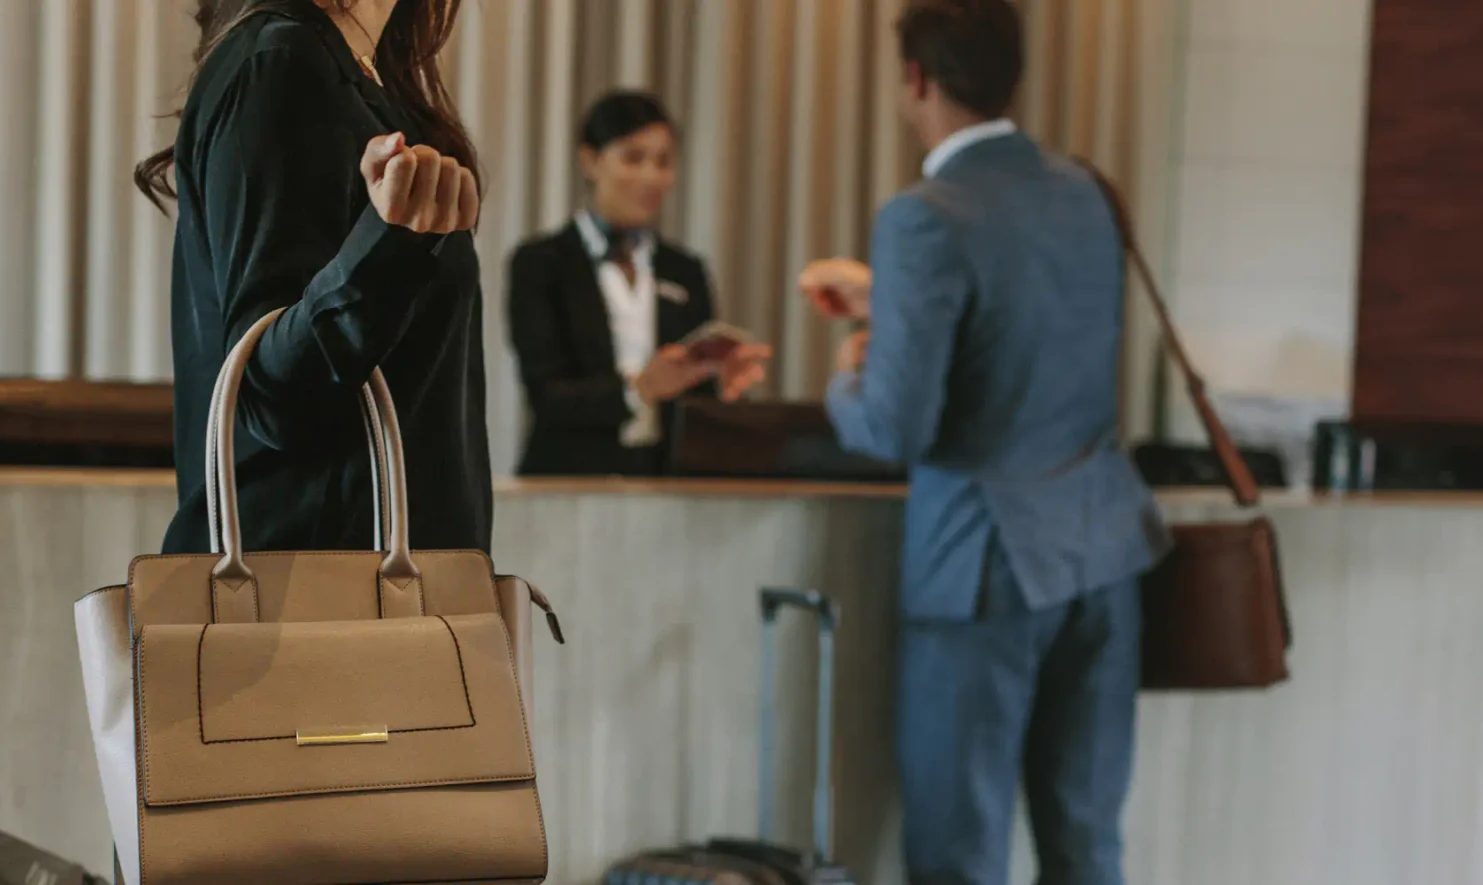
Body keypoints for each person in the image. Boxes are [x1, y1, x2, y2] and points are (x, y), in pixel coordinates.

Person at [798, 1, 1168, 883]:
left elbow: (895, 426)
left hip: (985, 567)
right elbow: (1025, 334)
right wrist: (891, 303)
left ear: (917, 78)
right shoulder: (1085, 190)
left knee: (961, 859)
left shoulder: (924, 214)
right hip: (1104, 556)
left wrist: (849, 373)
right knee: (1087, 849)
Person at [138, 0, 491, 556]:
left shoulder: (370, 84)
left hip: (392, 592)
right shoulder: (281, 59)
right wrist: (390, 242)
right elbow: (266, 396)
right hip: (311, 602)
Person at [508, 91, 771, 476]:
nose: (652, 177)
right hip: (567, 479)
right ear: (590, 161)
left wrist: (720, 385)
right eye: (633, 158)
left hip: (665, 482)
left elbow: (696, 402)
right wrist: (640, 389)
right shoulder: (541, 263)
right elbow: (546, 394)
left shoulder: (685, 270)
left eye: (663, 161)